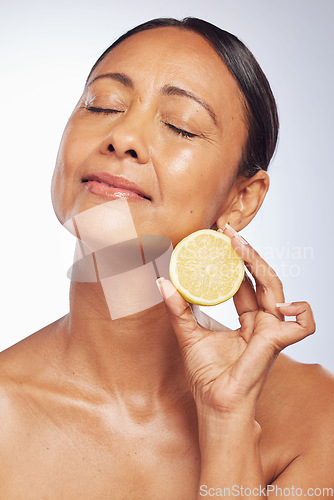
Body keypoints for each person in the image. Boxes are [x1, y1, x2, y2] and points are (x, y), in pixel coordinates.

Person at [0, 17, 333, 499]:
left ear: (242, 199)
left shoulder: (319, 416)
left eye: (181, 125)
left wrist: (228, 423)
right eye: (102, 104)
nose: (123, 137)